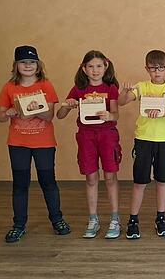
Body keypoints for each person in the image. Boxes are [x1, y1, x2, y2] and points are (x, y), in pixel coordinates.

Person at [0, 45, 70, 243]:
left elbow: (49, 116)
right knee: (20, 184)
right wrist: (9, 112)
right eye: (23, 62)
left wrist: (31, 109)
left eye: (31, 62)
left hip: (43, 142)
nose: (27, 65)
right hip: (18, 142)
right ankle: (19, 225)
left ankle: (57, 220)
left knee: (48, 182)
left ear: (37, 65)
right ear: (16, 65)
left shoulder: (46, 85)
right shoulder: (10, 87)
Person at [56, 50, 122, 239]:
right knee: (91, 178)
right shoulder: (78, 89)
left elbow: (116, 114)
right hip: (86, 137)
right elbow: (60, 115)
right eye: (91, 66)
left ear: (105, 67)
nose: (95, 70)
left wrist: (110, 116)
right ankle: (93, 219)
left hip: (107, 136)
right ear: (84, 69)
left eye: (99, 66)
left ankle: (115, 218)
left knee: (110, 177)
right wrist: (66, 106)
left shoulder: (111, 88)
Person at [118, 50, 165, 239]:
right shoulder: (141, 86)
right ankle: (133, 220)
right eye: (153, 69)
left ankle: (160, 218)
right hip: (143, 140)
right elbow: (121, 102)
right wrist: (126, 92)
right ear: (147, 69)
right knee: (139, 182)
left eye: (161, 68)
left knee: (162, 181)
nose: (157, 72)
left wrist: (161, 113)